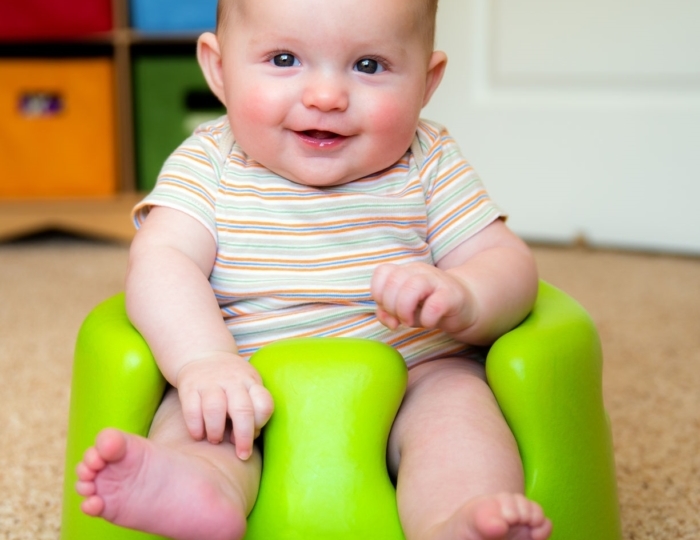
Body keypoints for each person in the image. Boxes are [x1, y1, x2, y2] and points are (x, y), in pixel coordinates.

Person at [75, 0, 552, 538]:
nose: (326, 97)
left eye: (368, 65)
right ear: (218, 68)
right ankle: (197, 492)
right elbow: (162, 262)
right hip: (246, 373)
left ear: (426, 80)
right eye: (284, 59)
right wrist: (202, 361)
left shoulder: (430, 161)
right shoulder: (207, 161)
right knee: (201, 421)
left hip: (414, 372)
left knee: (459, 418)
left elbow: (507, 262)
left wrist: (466, 293)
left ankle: (458, 518)